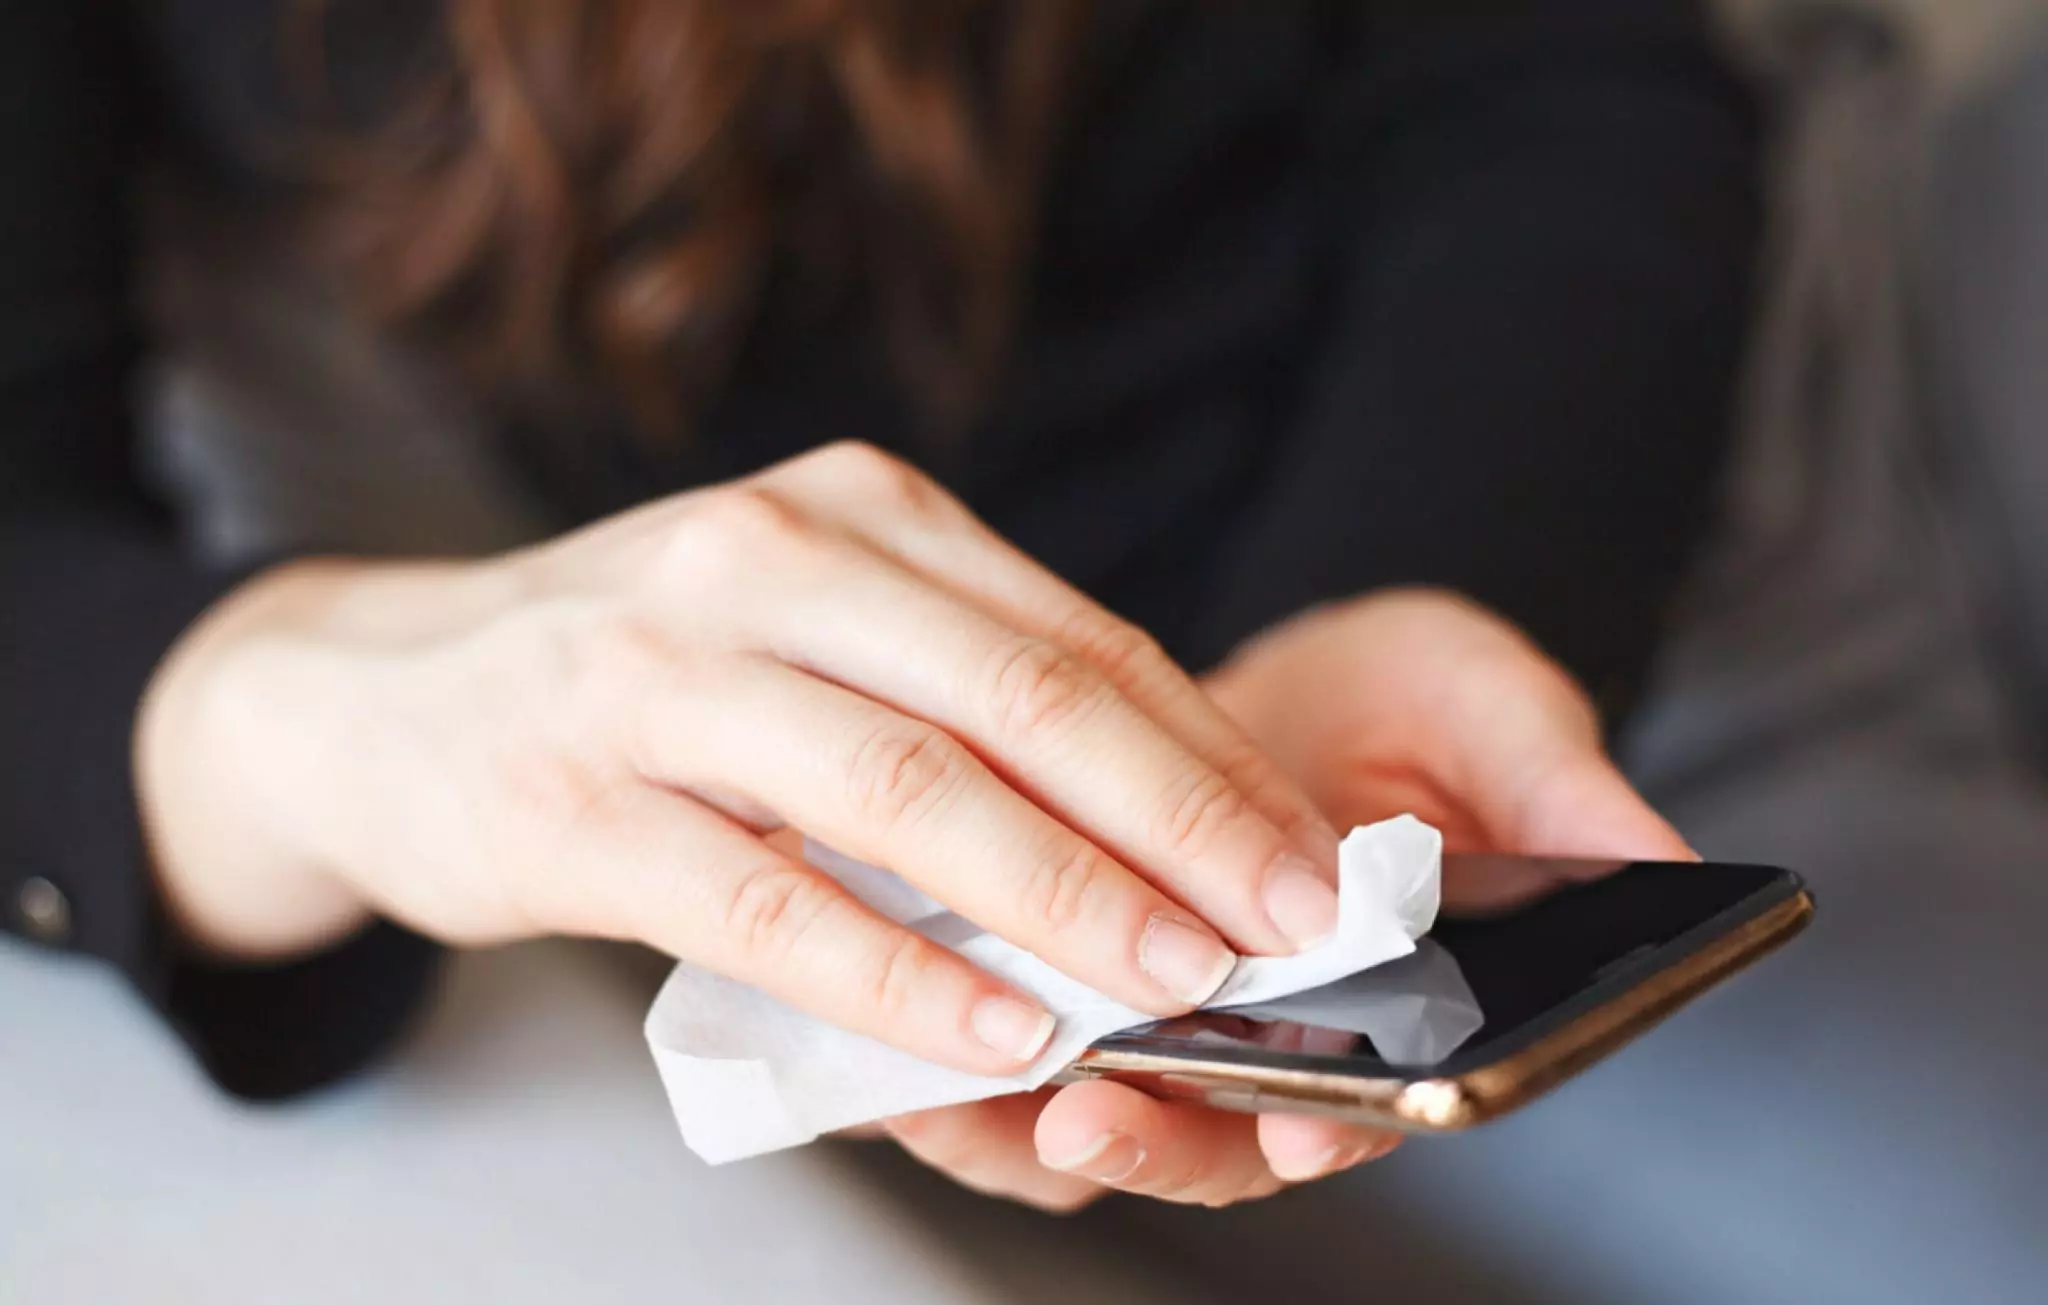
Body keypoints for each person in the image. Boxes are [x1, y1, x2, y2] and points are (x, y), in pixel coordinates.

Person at [0, 0, 1760, 1211]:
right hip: (1219, 833)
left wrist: (1412, 577)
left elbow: (1560, 74)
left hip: (1607, 521)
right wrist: (309, 713)